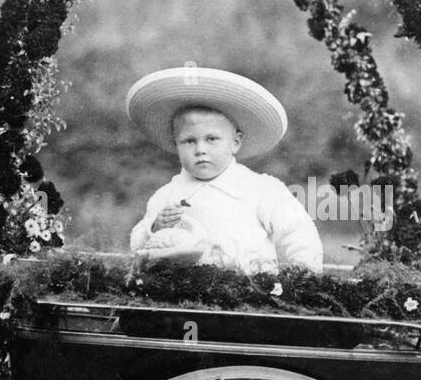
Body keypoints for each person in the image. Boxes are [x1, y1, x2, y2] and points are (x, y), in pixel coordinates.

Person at [125, 67, 323, 274]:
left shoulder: (261, 188)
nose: (200, 149)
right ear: (175, 145)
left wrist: (305, 270)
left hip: (251, 289)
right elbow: (137, 246)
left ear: (235, 142)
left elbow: (297, 230)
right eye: (189, 141)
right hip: (185, 292)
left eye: (211, 139)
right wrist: (156, 227)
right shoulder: (168, 195)